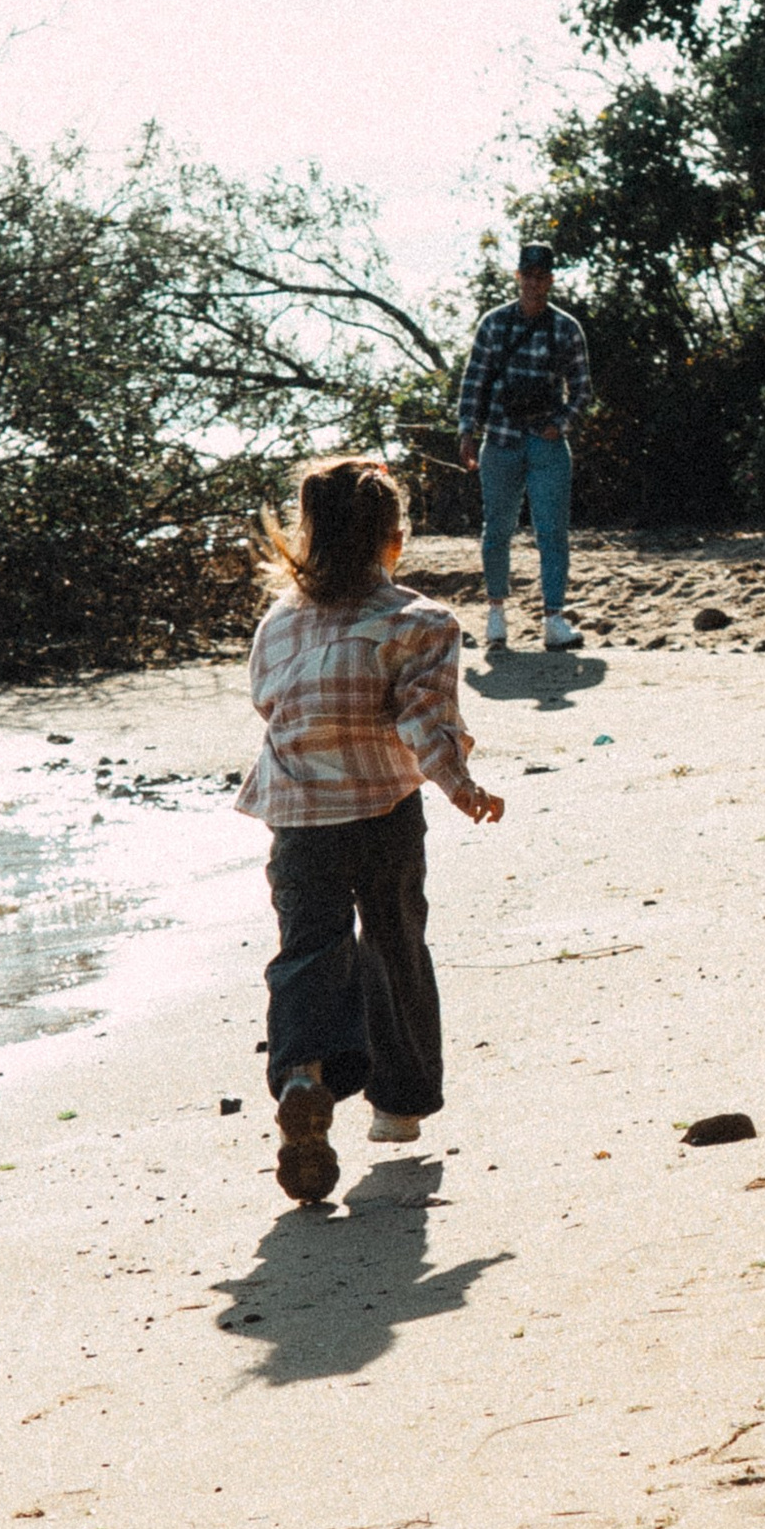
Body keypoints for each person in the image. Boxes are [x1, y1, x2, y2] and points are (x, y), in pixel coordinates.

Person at [236, 453, 505, 1205]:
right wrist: (462, 786)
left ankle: (302, 1076)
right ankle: (398, 1106)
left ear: (308, 537)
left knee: (307, 951)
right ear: (394, 539)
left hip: (295, 815)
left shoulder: (279, 621)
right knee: (393, 942)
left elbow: (267, 703)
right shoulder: (420, 621)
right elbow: (425, 721)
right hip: (383, 810)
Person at [456, 241, 593, 652]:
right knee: (496, 529)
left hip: (546, 442)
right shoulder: (494, 324)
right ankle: (496, 616)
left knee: (552, 532)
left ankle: (554, 619)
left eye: (541, 276)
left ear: (550, 280)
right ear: (518, 277)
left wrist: (562, 423)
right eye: (527, 275)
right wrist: (466, 431)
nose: (533, 283)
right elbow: (474, 379)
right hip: (499, 438)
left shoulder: (565, 328)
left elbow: (583, 389)